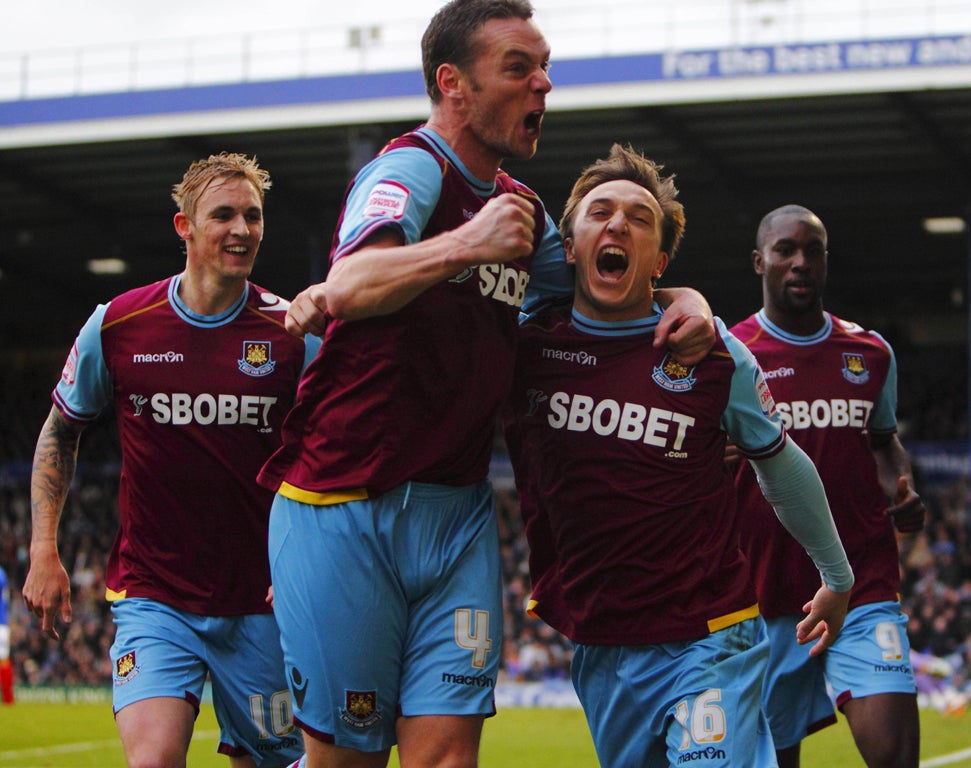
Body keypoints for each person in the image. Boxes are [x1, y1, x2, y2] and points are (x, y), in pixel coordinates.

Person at [258, 3, 714, 767]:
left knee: (447, 758)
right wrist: (465, 245)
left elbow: (606, 289)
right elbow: (349, 283)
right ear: (453, 84)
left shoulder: (524, 213)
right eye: (518, 67)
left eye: (545, 68)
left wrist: (687, 301)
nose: (542, 83)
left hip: (458, 516)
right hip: (343, 506)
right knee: (347, 761)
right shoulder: (410, 168)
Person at [501, 144, 854, 768]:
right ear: (570, 247)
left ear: (659, 260)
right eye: (600, 212)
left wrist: (837, 574)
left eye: (639, 218)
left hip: (711, 630)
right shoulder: (523, 346)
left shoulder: (714, 355)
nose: (617, 225)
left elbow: (780, 463)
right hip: (600, 641)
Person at [22, 153, 317, 768]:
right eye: (224, 215)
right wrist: (43, 549)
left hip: (263, 603)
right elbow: (59, 432)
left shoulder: (292, 332)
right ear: (184, 226)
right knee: (153, 759)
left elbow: (335, 451)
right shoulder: (119, 324)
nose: (241, 229)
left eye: (253, 216)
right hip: (155, 598)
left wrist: (315, 561)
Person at [730, 204, 927, 768]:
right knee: (775, 760)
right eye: (785, 250)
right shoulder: (730, 358)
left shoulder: (869, 353)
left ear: (825, 262)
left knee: (895, 756)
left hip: (861, 583)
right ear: (758, 262)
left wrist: (901, 489)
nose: (799, 263)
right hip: (766, 596)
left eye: (812, 251)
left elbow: (885, 443)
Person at [0, 564, 12, 704]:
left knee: (3, 661)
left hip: (0, 624)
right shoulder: (2, 573)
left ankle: (8, 698)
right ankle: (8, 698)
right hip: (2, 623)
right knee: (3, 660)